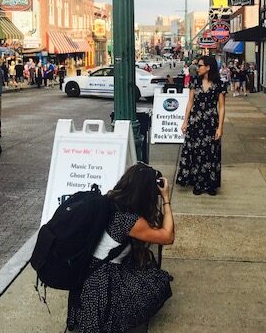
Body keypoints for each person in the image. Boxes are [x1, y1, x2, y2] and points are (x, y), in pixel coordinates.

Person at [67, 163, 174, 333]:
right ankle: (114, 318)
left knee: (141, 266)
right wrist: (166, 199)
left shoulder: (110, 200)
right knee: (157, 283)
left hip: (87, 274)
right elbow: (167, 237)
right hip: (102, 280)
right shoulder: (130, 220)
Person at [176, 55, 226, 195]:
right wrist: (185, 121)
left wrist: (220, 127)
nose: (197, 68)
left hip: (211, 122)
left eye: (200, 65)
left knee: (211, 153)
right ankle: (197, 183)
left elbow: (221, 107)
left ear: (208, 67)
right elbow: (190, 102)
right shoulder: (194, 82)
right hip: (196, 121)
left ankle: (210, 184)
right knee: (196, 152)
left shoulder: (219, 84)